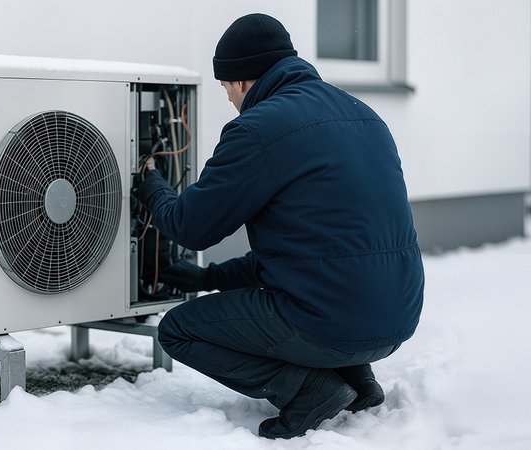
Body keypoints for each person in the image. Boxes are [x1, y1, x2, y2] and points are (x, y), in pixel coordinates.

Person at [136, 13, 424, 439]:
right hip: (396, 317)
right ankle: (360, 385)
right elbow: (309, 250)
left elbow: (190, 226)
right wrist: (207, 277)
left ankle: (310, 391)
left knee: (178, 330)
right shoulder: (363, 114)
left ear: (243, 81)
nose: (230, 102)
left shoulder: (258, 129)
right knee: (335, 288)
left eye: (226, 90)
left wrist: (151, 184)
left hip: (333, 321)